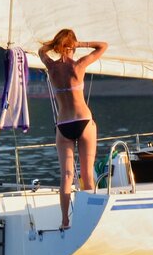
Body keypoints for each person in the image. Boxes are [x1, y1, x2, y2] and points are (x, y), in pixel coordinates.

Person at [39, 29, 108, 230]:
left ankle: (65, 221)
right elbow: (103, 46)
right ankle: (90, 220)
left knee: (67, 176)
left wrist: (53, 45)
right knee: (87, 175)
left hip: (63, 125)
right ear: (72, 46)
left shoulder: (51, 67)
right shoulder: (78, 65)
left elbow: (41, 50)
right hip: (84, 121)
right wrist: (81, 44)